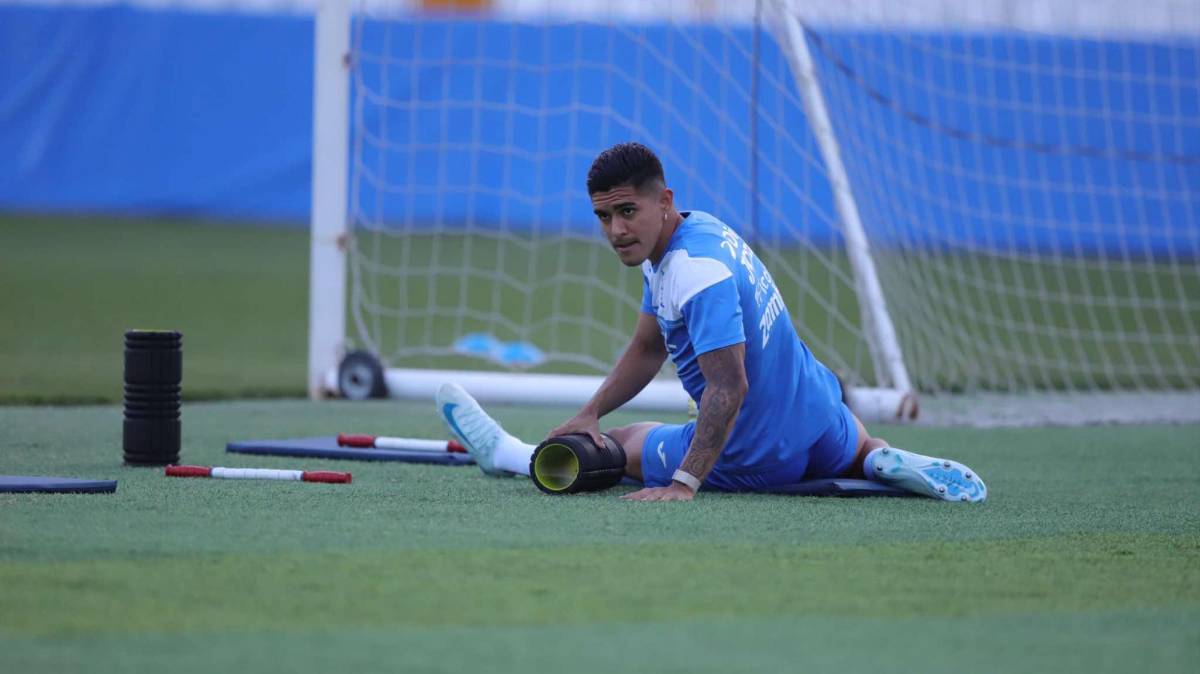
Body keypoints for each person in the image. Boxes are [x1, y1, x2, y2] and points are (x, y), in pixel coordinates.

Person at [437, 142, 986, 503]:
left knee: (626, 441)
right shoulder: (701, 232)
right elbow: (648, 348)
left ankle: (507, 454)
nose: (615, 230)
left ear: (663, 201)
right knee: (854, 443)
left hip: (757, 450)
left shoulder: (692, 272)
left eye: (627, 211)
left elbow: (730, 384)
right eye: (604, 216)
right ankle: (877, 458)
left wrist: (684, 481)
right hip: (825, 416)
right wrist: (588, 411)